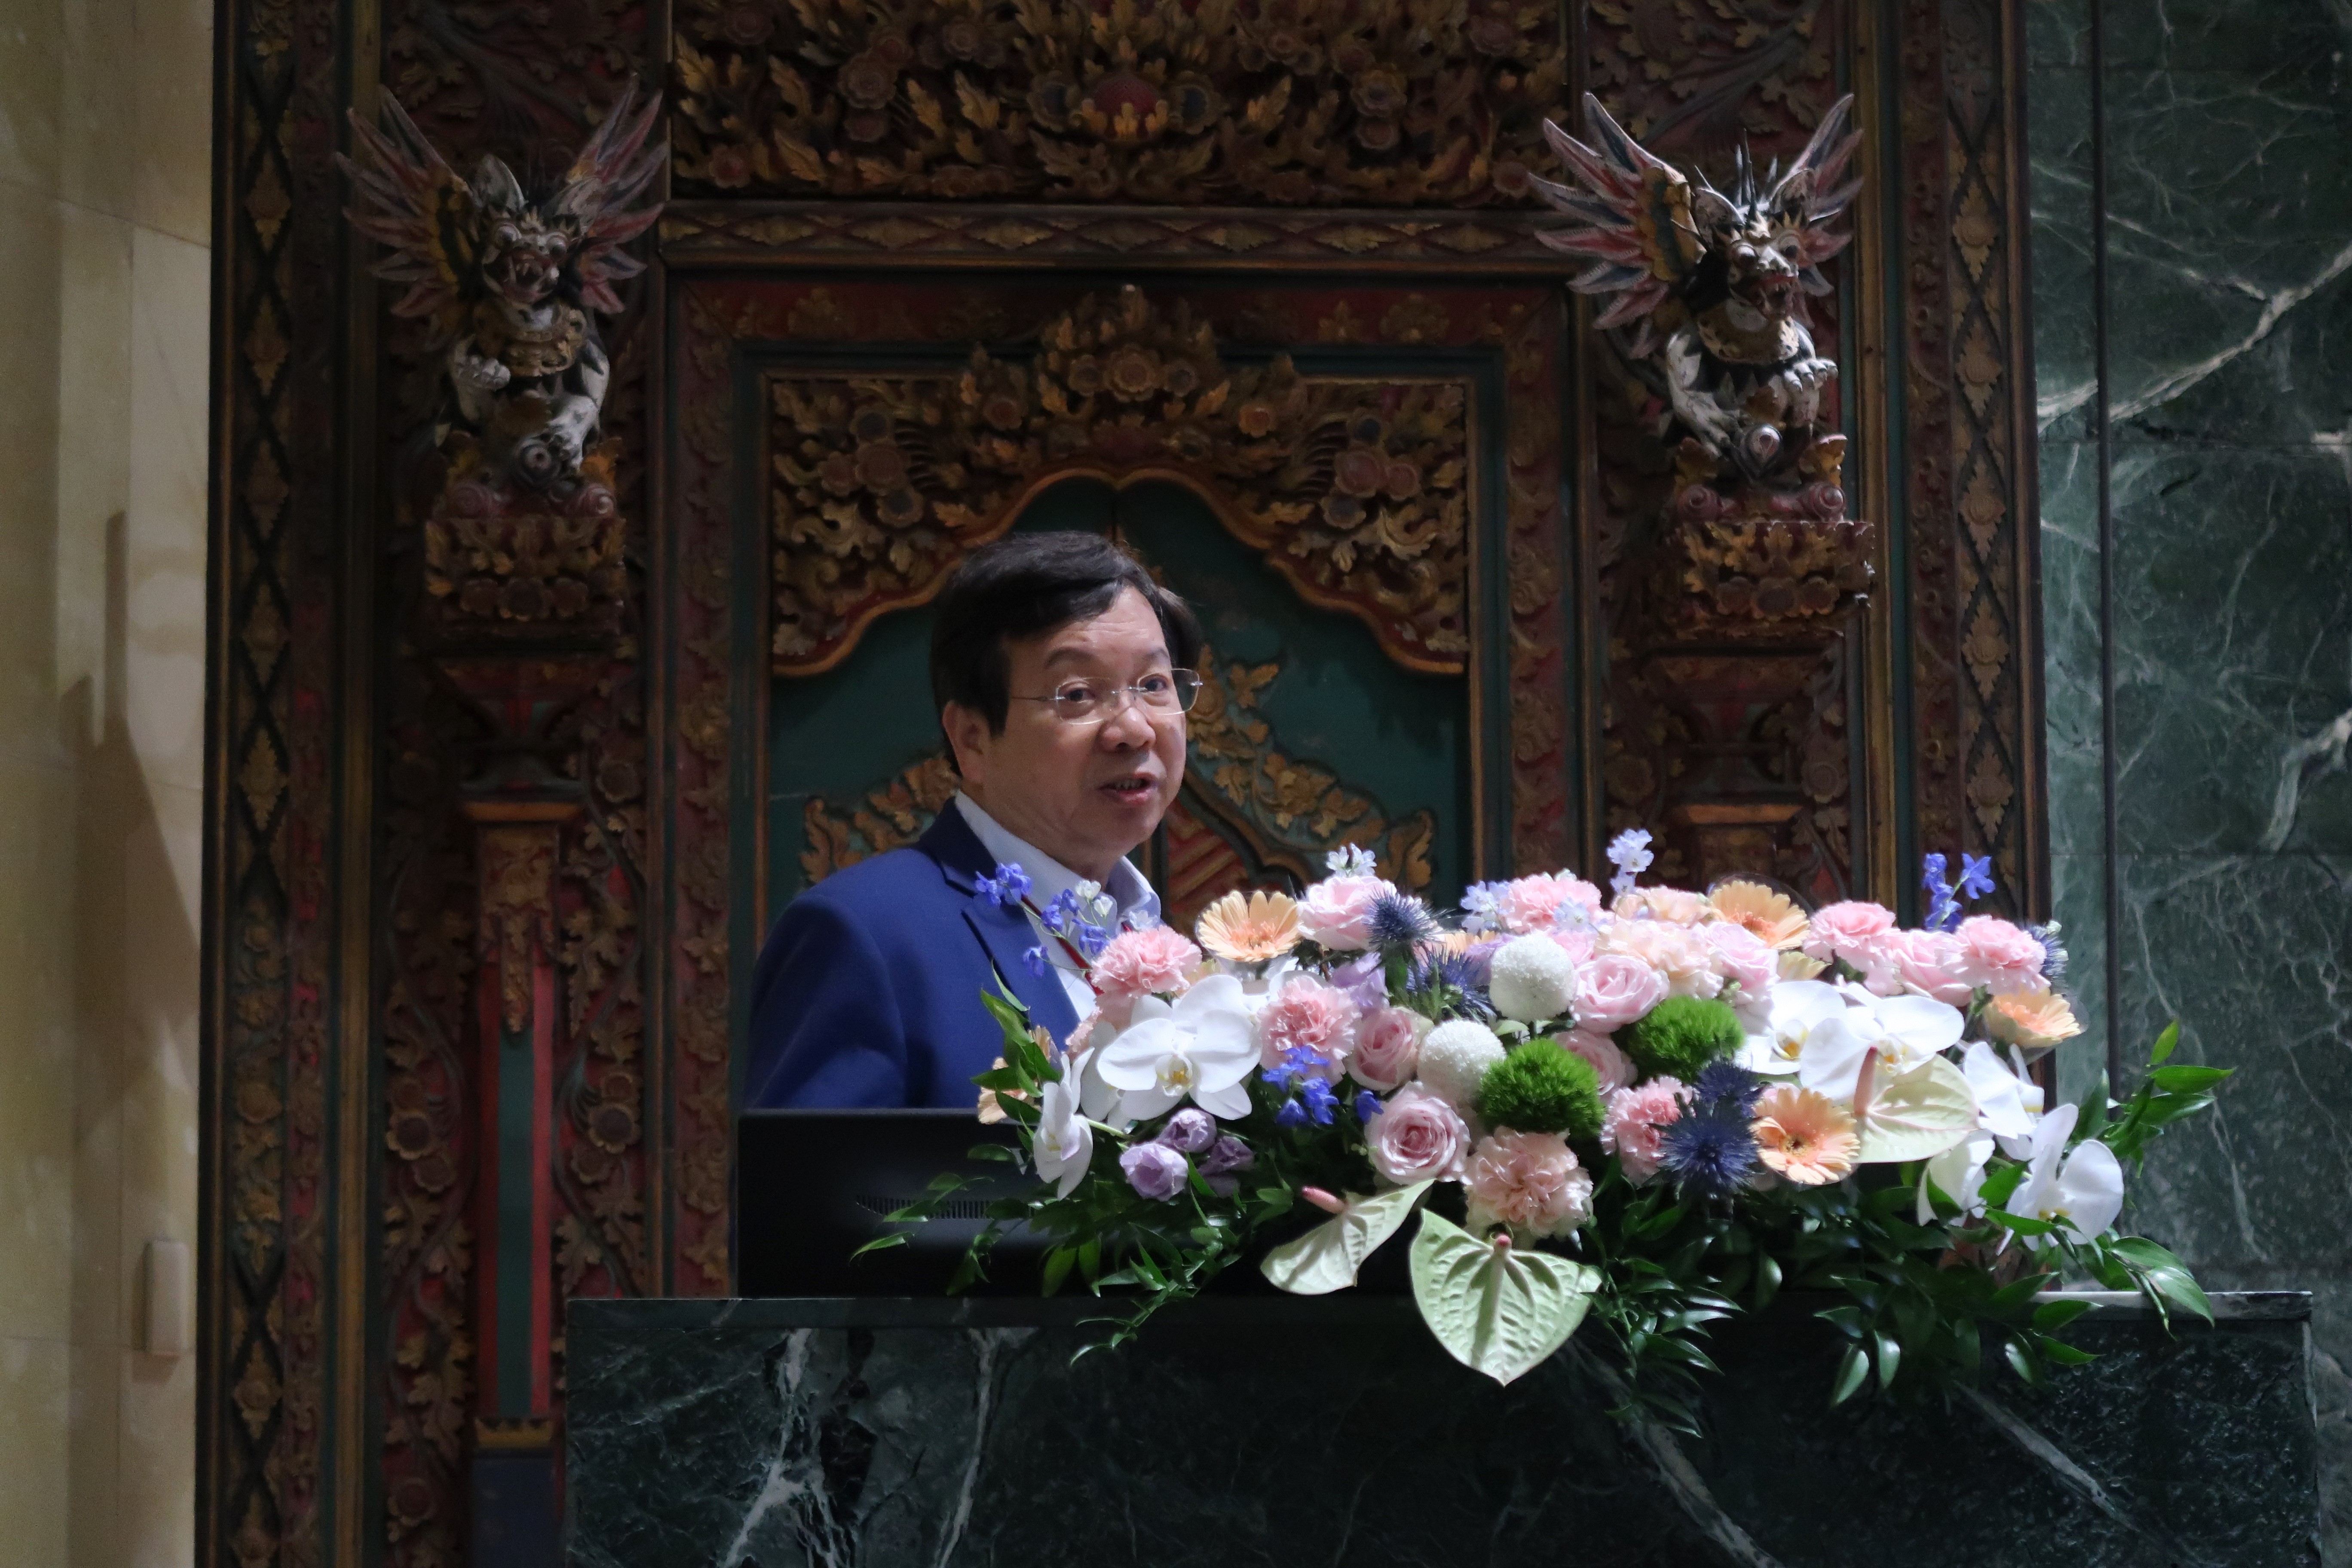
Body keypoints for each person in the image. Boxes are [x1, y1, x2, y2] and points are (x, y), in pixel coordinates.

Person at [744, 531, 1202, 1108]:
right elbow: (812, 1171)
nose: (1134, 729)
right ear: (972, 739)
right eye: (1078, 694)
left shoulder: (1161, 941)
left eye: (1155, 685)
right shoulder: (864, 938)